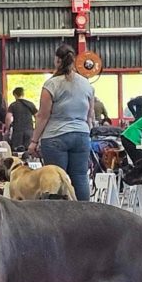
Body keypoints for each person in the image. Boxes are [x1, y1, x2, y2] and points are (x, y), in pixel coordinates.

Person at [27, 44, 94, 200]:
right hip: (81, 135)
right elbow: (90, 116)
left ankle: (59, 220)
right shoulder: (86, 84)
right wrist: (86, 134)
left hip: (56, 136)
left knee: (55, 180)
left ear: (57, 60)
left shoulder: (51, 84)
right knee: (80, 177)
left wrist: (34, 141)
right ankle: (85, 216)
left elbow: (43, 115)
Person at [6, 86, 37, 151]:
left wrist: (7, 129)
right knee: (28, 151)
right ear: (23, 94)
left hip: (17, 132)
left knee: (17, 151)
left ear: (14, 95)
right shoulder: (30, 104)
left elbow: (8, 118)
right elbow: (37, 116)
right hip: (29, 131)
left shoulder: (13, 105)